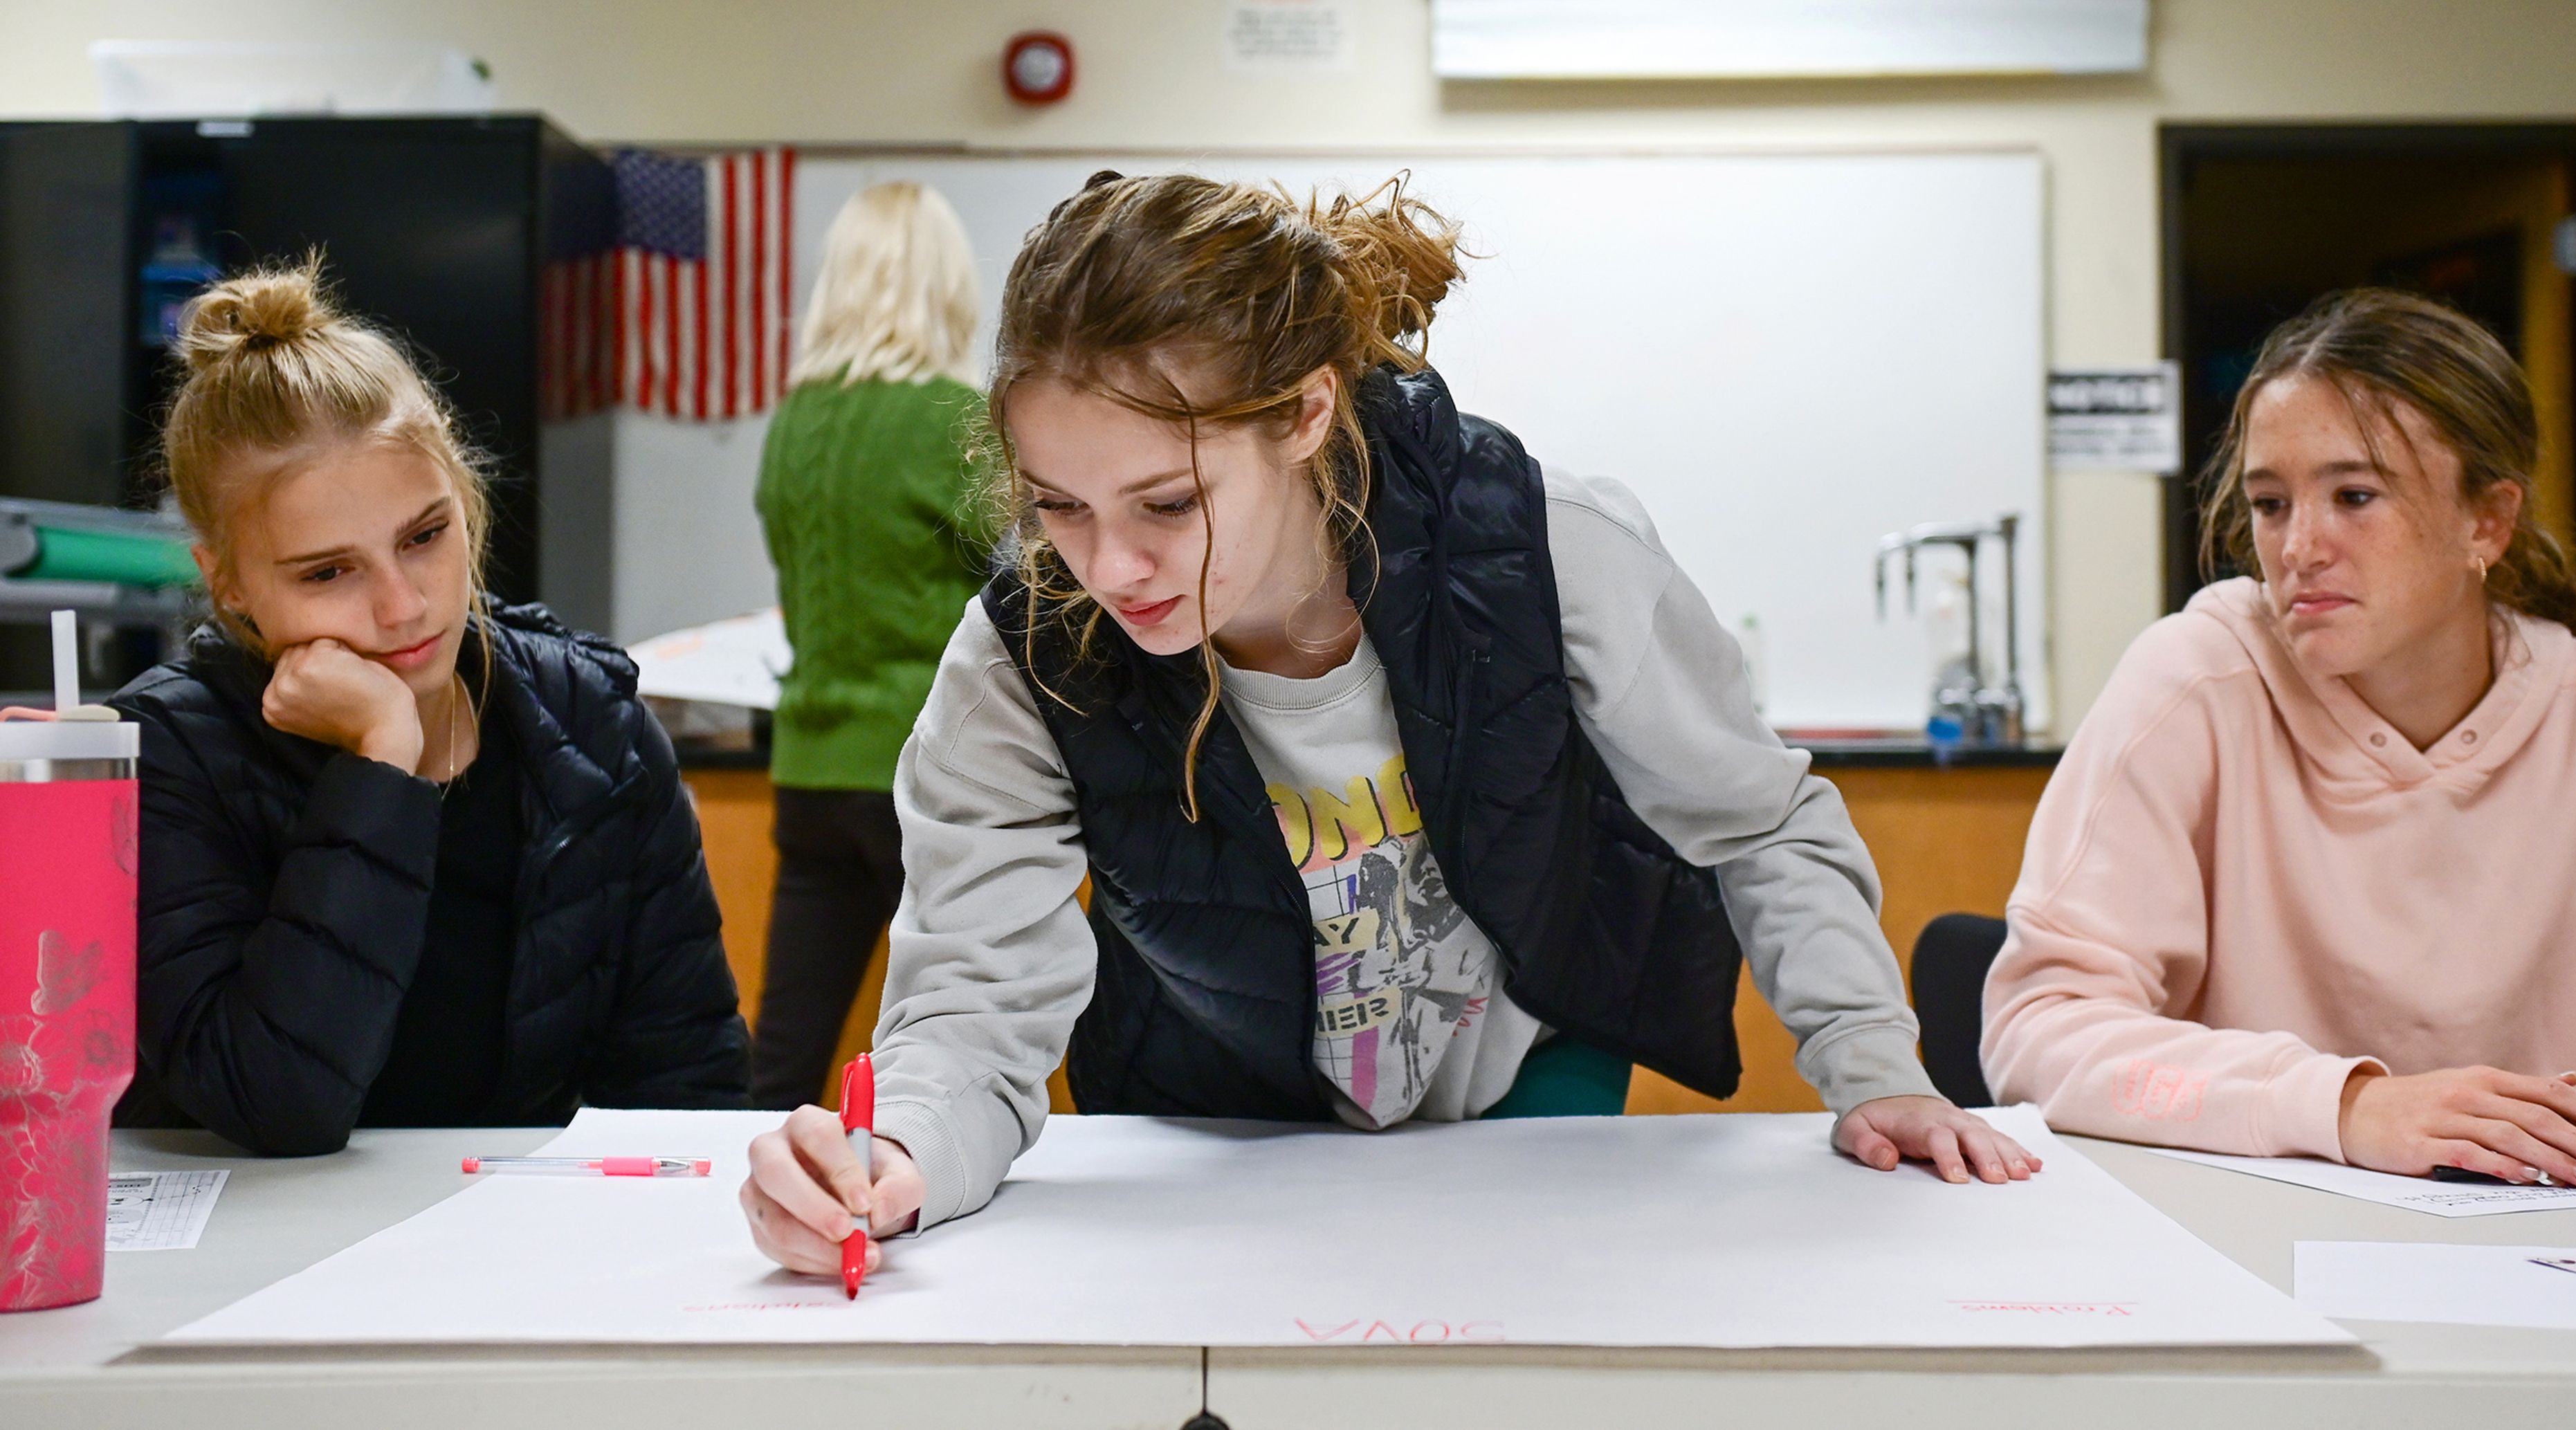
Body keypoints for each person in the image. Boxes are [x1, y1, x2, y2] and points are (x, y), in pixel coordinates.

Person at [739, 171, 2037, 1273]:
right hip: (1217, 1115)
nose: (1111, 565)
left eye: (1167, 505)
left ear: (1306, 414)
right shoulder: (1026, 651)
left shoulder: (1543, 548)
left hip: (1531, 1069)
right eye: (1058, 508)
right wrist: (896, 1152)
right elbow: (973, 1001)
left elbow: (1761, 823)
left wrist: (1879, 1071)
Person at [1982, 288, 2576, 1188]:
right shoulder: (2196, 677)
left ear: (2487, 521)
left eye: (2355, 495)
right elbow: (2038, 1029)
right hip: (2242, 1236)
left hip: (2554, 1244)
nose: (2300, 547)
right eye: (2269, 504)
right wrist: (2344, 1106)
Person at [112, 262, 748, 1156]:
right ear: (231, 585)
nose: (403, 606)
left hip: (520, 1255)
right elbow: (276, 1105)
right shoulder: (168, 752)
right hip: (261, 1271)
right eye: (328, 572)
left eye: (424, 537)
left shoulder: (591, 719)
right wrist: (381, 761)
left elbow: (687, 1089)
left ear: (464, 495)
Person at [750, 183, 987, 1109]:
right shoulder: (953, 421)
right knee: (953, 1044)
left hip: (810, 768)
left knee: (783, 1057)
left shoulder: (794, 423)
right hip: (925, 773)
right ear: (947, 284)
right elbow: (1035, 578)